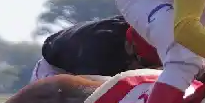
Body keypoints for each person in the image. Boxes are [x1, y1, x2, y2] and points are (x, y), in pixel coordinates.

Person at [29, 15, 161, 83]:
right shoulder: (99, 49)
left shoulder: (140, 29)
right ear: (130, 47)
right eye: (144, 64)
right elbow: (84, 89)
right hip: (56, 70)